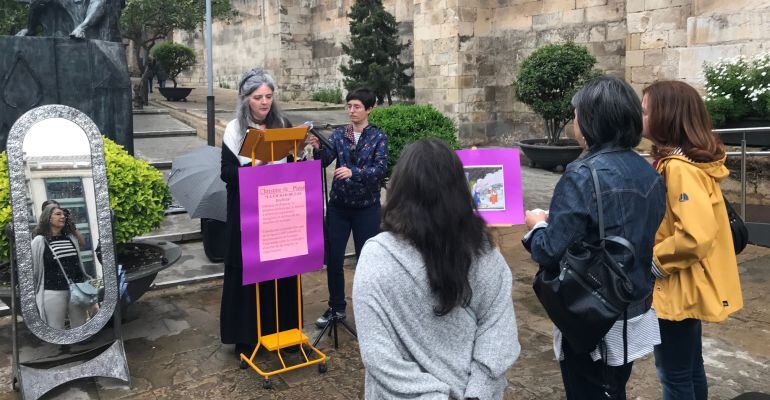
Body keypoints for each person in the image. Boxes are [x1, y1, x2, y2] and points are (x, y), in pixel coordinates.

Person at [523, 76, 666, 399]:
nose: (574, 124)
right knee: (613, 387)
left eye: (576, 116)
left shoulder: (582, 174)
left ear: (590, 121)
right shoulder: (649, 171)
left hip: (594, 313)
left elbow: (549, 251)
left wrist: (537, 226)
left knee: (588, 389)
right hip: (634, 307)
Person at [352, 138, 520, 399]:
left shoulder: (376, 257)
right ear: (460, 189)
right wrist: (477, 393)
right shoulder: (484, 253)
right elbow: (498, 335)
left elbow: (379, 357)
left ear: (398, 189)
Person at [643, 80, 743, 400]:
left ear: (666, 117)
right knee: (689, 367)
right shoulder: (688, 163)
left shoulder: (679, 169)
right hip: (686, 283)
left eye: (646, 111)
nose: (640, 117)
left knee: (674, 375)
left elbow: (695, 236)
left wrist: (654, 262)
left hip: (677, 286)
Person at [220, 68, 300, 357]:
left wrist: (301, 152)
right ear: (245, 99)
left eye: (268, 96)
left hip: (279, 209)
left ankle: (284, 332)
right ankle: (248, 336)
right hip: (248, 211)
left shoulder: (282, 124)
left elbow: (292, 164)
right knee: (250, 271)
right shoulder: (234, 129)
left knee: (282, 268)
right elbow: (226, 173)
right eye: (257, 97)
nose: (264, 102)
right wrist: (254, 166)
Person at [307, 88, 388, 328]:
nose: (351, 111)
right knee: (334, 260)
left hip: (367, 208)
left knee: (367, 260)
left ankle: (369, 309)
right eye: (349, 106)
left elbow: (380, 170)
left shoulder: (378, 137)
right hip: (339, 207)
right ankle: (336, 307)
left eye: (357, 107)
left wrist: (355, 172)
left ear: (369, 109)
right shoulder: (340, 134)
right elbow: (323, 162)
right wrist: (318, 149)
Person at [32, 204, 92, 329]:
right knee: (55, 328)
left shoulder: (70, 238)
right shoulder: (39, 241)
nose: (63, 216)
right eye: (58, 214)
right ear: (48, 218)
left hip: (77, 289)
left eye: (64, 214)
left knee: (80, 326)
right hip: (53, 290)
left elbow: (78, 262)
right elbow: (34, 268)